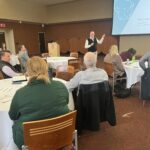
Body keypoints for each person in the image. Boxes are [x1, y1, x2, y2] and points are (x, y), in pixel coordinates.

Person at [9, 56, 70, 150]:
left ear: (28, 71)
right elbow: (66, 101)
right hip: (61, 135)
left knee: (15, 124)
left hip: (32, 142)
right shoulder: (61, 86)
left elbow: (12, 116)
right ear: (46, 68)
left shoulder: (21, 93)